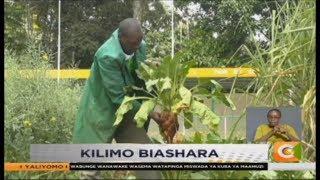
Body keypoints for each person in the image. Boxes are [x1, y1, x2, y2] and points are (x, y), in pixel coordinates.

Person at [72, 18, 177, 179]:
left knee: (146, 160)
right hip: (102, 111)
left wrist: (160, 90)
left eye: (139, 42)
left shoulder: (140, 46)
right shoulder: (106, 55)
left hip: (129, 110)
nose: (137, 48)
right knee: (90, 170)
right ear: (122, 39)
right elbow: (118, 97)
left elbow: (141, 78)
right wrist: (150, 113)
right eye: (133, 44)